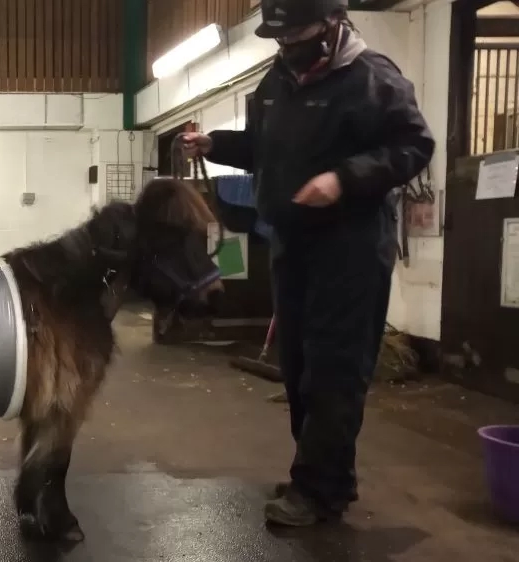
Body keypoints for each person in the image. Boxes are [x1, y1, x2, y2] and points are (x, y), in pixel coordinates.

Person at [180, 0, 434, 526]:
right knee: (296, 366)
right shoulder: (276, 82)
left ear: (331, 24)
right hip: (293, 241)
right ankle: (322, 474)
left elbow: (414, 144)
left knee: (334, 367)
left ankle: (319, 489)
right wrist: (215, 144)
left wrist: (343, 179)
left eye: (297, 34)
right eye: (279, 37)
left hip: (351, 244)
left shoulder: (372, 78)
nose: (287, 46)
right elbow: (262, 148)